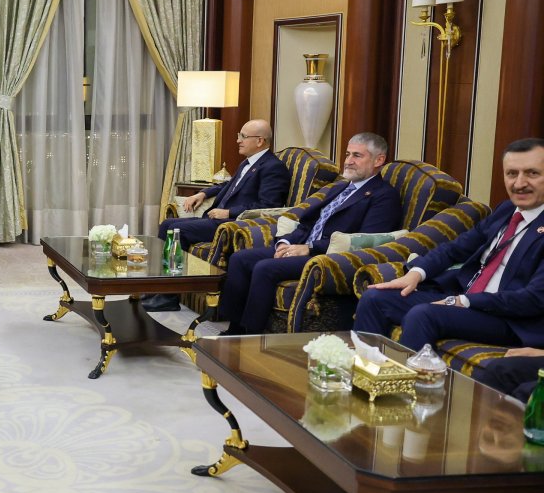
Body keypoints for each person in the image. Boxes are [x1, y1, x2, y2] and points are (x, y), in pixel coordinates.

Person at [354, 137, 544, 354]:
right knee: (375, 298)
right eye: (512, 174)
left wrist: (464, 301)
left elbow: (533, 299)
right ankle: (364, 377)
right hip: (466, 298)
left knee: (423, 314)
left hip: (509, 319)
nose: (519, 183)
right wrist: (416, 273)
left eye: (532, 173)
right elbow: (456, 248)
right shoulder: (507, 210)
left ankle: (403, 386)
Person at [219, 133, 401, 335]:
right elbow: (309, 222)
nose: (348, 161)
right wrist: (285, 242)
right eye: (348, 154)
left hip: (327, 259)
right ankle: (233, 327)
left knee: (265, 268)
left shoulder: (384, 196)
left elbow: (365, 241)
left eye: (357, 156)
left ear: (379, 160)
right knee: (240, 258)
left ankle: (248, 335)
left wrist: (309, 248)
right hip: (302, 246)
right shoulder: (341, 187)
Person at [145, 119, 291, 311]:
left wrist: (228, 212)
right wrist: (203, 193)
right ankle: (157, 287)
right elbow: (228, 185)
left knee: (176, 230)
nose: (238, 140)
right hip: (215, 219)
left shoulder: (273, 168)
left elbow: (268, 206)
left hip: (233, 225)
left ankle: (169, 297)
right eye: (239, 135)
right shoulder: (248, 163)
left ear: (260, 141)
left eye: (243, 137)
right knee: (167, 224)